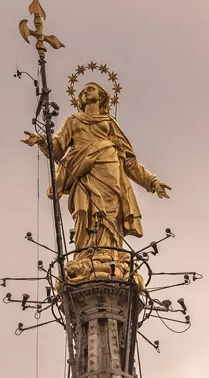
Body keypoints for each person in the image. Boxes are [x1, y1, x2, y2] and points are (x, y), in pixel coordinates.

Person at [22, 82, 171, 282]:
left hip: (110, 171)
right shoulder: (73, 121)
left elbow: (129, 160)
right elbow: (56, 150)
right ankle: (86, 254)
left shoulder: (109, 122)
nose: (85, 91)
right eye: (83, 90)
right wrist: (41, 140)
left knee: (110, 215)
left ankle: (111, 254)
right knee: (83, 211)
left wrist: (152, 182)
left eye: (90, 88)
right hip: (82, 171)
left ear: (101, 96)